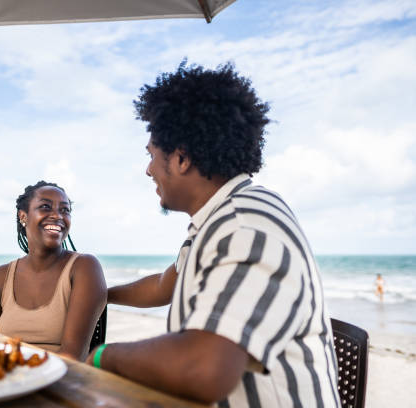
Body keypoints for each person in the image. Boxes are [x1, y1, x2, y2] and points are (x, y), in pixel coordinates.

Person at [88, 61, 341, 407]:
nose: (148, 170)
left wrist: (104, 356)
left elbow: (204, 368)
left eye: (151, 155)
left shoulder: (245, 225)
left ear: (181, 158)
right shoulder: (216, 221)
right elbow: (165, 284)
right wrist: (103, 294)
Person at [0, 181, 106, 361]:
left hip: (59, 382)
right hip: (4, 381)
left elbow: (72, 357)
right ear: (23, 216)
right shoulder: (1, 276)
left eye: (65, 210)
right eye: (45, 207)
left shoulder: (84, 268)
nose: (57, 215)